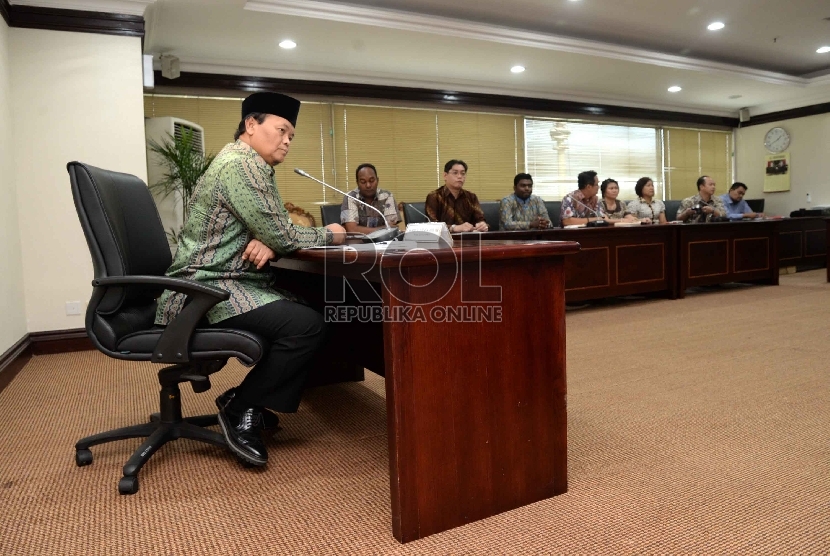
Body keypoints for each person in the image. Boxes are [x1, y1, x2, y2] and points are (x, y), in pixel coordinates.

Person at [155, 92, 347, 467]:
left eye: (292, 135)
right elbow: (284, 234)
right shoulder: (243, 166)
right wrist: (332, 233)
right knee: (306, 326)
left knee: (308, 307)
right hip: (205, 290)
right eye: (282, 130)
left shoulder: (240, 161)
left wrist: (270, 240)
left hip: (219, 282)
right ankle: (241, 407)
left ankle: (247, 399)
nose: (288, 141)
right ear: (251, 125)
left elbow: (274, 229)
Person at [425, 159, 488, 232]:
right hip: (443, 240)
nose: (460, 176)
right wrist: (454, 228)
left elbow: (480, 219)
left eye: (463, 173)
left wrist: (482, 225)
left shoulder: (471, 197)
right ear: (445, 175)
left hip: (467, 240)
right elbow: (431, 225)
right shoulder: (434, 197)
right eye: (455, 173)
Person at [340, 163, 399, 234]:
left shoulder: (387, 196)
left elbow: (392, 228)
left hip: (383, 242)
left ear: (377, 180)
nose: (368, 185)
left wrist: (386, 229)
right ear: (357, 183)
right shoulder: (351, 197)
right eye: (363, 182)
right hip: (358, 243)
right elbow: (352, 230)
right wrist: (383, 228)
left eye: (371, 181)